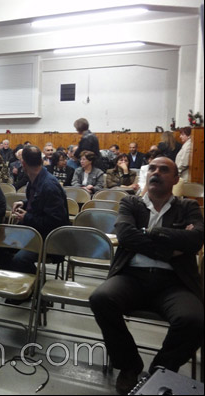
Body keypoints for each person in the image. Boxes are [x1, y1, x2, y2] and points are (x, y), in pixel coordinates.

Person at [89, 156, 204, 395]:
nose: (156, 172)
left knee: (194, 319)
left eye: (164, 169)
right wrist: (171, 245)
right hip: (132, 277)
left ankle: (161, 370)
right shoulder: (131, 203)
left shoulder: (188, 207)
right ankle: (129, 365)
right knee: (100, 299)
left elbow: (196, 239)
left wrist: (151, 232)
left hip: (174, 283)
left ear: (176, 179)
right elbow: (125, 235)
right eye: (152, 168)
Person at [0, 145, 69, 274]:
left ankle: (36, 283)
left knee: (20, 260)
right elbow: (40, 203)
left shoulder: (49, 185)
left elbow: (56, 221)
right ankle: (17, 278)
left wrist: (26, 217)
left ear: (23, 163)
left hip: (48, 238)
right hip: (32, 231)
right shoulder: (36, 178)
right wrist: (24, 203)